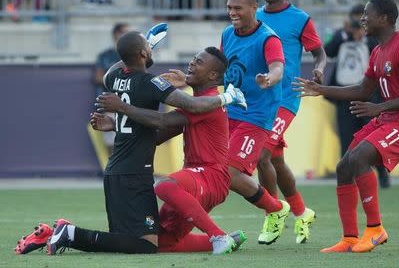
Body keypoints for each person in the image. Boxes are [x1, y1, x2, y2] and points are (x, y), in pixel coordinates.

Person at [15, 31, 246, 255]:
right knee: (145, 244)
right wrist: (228, 96)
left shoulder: (115, 78)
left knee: (137, 242)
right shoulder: (152, 82)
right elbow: (166, 118)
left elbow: (114, 76)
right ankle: (70, 233)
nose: (192, 64)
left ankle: (57, 234)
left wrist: (116, 121)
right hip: (135, 172)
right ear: (144, 53)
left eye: (198, 61)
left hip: (116, 170)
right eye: (147, 46)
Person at [293, 0, 399, 253]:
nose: (361, 19)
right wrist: (322, 89)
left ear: (385, 18)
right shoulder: (377, 51)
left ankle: (376, 229)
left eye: (367, 14)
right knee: (344, 166)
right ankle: (350, 238)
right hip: (388, 119)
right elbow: (363, 90)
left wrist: (381, 108)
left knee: (361, 158)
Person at [88, 47, 246, 255]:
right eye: (192, 59)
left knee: (165, 187)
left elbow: (162, 121)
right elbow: (156, 137)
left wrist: (122, 108)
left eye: (198, 62)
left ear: (212, 75)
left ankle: (217, 236)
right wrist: (116, 124)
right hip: (197, 175)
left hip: (210, 175)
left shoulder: (205, 103)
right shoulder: (198, 102)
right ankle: (229, 239)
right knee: (161, 242)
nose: (191, 64)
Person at [255, 0, 327, 244]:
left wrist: (319, 70)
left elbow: (320, 55)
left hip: (285, 99)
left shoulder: (300, 19)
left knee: (261, 156)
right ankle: (301, 212)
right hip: (259, 99)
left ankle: (273, 213)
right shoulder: (255, 16)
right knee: (275, 159)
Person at [221, 0, 290, 245]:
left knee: (229, 172)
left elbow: (278, 69)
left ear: (254, 7)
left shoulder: (268, 38)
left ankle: (275, 209)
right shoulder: (228, 34)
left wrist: (269, 78)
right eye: (229, 7)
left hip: (257, 115)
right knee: (220, 169)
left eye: (238, 8)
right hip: (230, 111)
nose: (232, 12)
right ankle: (276, 208)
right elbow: (223, 70)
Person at [325, 4, 390, 188]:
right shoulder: (341, 35)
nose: (358, 23)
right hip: (345, 95)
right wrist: (345, 35)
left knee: (371, 138)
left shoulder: (374, 38)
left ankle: (383, 176)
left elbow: (383, 55)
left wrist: (363, 38)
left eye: (362, 19)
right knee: (347, 139)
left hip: (368, 97)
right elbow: (327, 51)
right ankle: (347, 179)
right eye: (355, 19)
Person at [94, 22, 130, 154]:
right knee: (111, 143)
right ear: (116, 35)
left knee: (129, 142)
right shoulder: (105, 55)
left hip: (130, 105)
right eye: (125, 32)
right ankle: (114, 172)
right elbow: (98, 78)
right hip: (110, 105)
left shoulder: (133, 56)